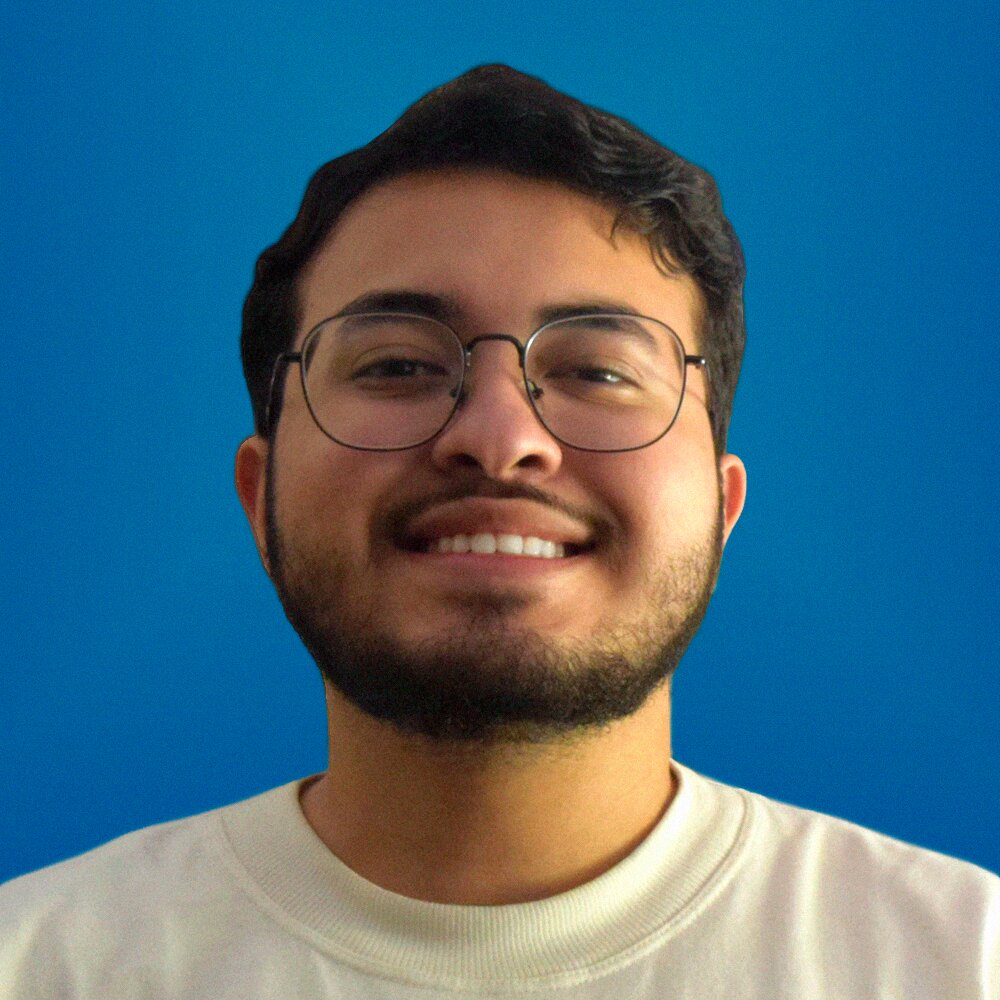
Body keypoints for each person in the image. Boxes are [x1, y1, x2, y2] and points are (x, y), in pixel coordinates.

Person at [1, 64, 996, 999]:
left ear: (721, 504)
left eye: (599, 370)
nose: (498, 437)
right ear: (259, 497)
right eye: (395, 364)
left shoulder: (960, 958)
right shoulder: (40, 963)